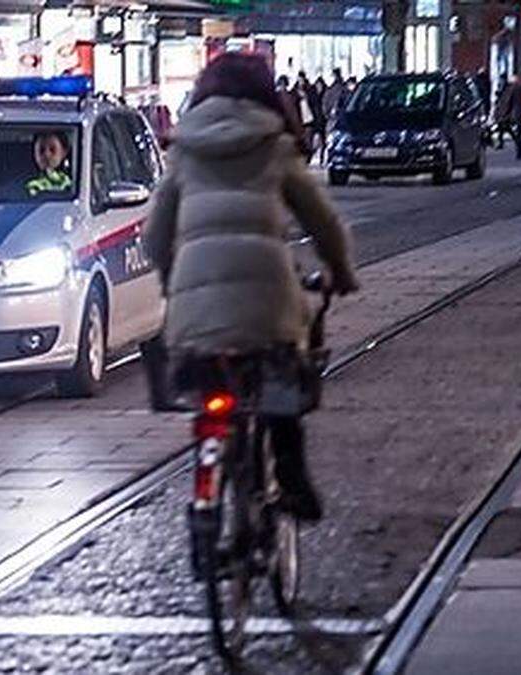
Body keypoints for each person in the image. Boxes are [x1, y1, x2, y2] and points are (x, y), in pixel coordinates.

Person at [143, 53, 359, 521]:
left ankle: (207, 486)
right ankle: (292, 477)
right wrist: (341, 270)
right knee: (282, 386)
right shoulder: (274, 145)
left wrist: (170, 278)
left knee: (206, 395)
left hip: (194, 310)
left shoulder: (183, 149)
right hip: (268, 306)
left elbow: (155, 236)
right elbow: (322, 222)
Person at [26, 131, 73, 196]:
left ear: (64, 152)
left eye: (52, 149)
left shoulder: (74, 184)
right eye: (41, 150)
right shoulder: (23, 184)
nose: (47, 155)